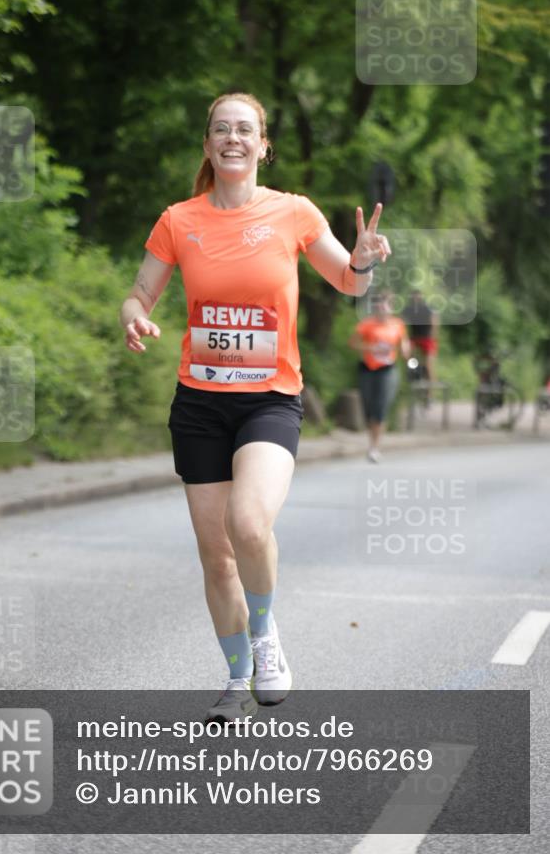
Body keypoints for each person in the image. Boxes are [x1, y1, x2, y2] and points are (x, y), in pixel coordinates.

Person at [120, 92, 390, 723]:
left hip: (269, 400)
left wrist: (363, 262)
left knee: (248, 524)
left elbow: (347, 281)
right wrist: (135, 320)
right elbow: (139, 294)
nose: (233, 139)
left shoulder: (292, 213)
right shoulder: (178, 220)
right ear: (208, 144)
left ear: (263, 145)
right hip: (200, 404)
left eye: (245, 130)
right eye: (222, 130)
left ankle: (265, 638)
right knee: (216, 554)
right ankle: (236, 680)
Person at [349, 291, 410, 462]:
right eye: (378, 305)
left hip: (387, 370)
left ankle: (374, 447)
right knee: (368, 407)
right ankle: (371, 439)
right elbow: (353, 343)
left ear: (391, 308)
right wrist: (370, 348)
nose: (381, 308)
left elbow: (404, 344)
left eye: (385, 305)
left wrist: (406, 351)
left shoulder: (398, 325)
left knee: (380, 407)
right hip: (368, 369)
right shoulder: (367, 324)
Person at [402, 289, 439, 385]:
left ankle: (430, 394)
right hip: (414, 338)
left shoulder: (427, 309)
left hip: (427, 338)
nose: (415, 299)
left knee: (428, 365)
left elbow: (434, 321)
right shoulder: (408, 309)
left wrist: (433, 336)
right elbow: (401, 322)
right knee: (407, 355)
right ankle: (415, 372)